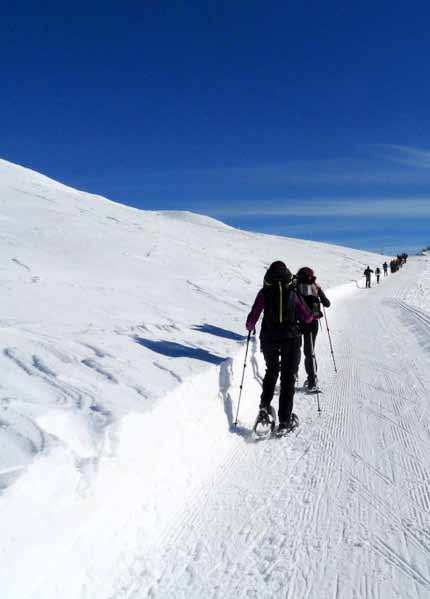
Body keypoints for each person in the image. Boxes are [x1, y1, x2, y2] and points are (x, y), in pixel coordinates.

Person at [246, 261, 314, 434]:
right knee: (287, 378)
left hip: (269, 338)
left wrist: (251, 325)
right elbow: (307, 317)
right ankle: (285, 420)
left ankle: (264, 407)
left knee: (272, 370)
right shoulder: (293, 292)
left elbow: (252, 319)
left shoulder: (264, 292)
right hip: (290, 338)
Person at [295, 267, 331, 392]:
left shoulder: (296, 287)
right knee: (309, 351)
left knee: (295, 349)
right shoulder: (316, 287)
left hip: (299, 323)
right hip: (313, 323)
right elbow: (327, 303)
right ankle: (312, 380)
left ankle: (294, 375)